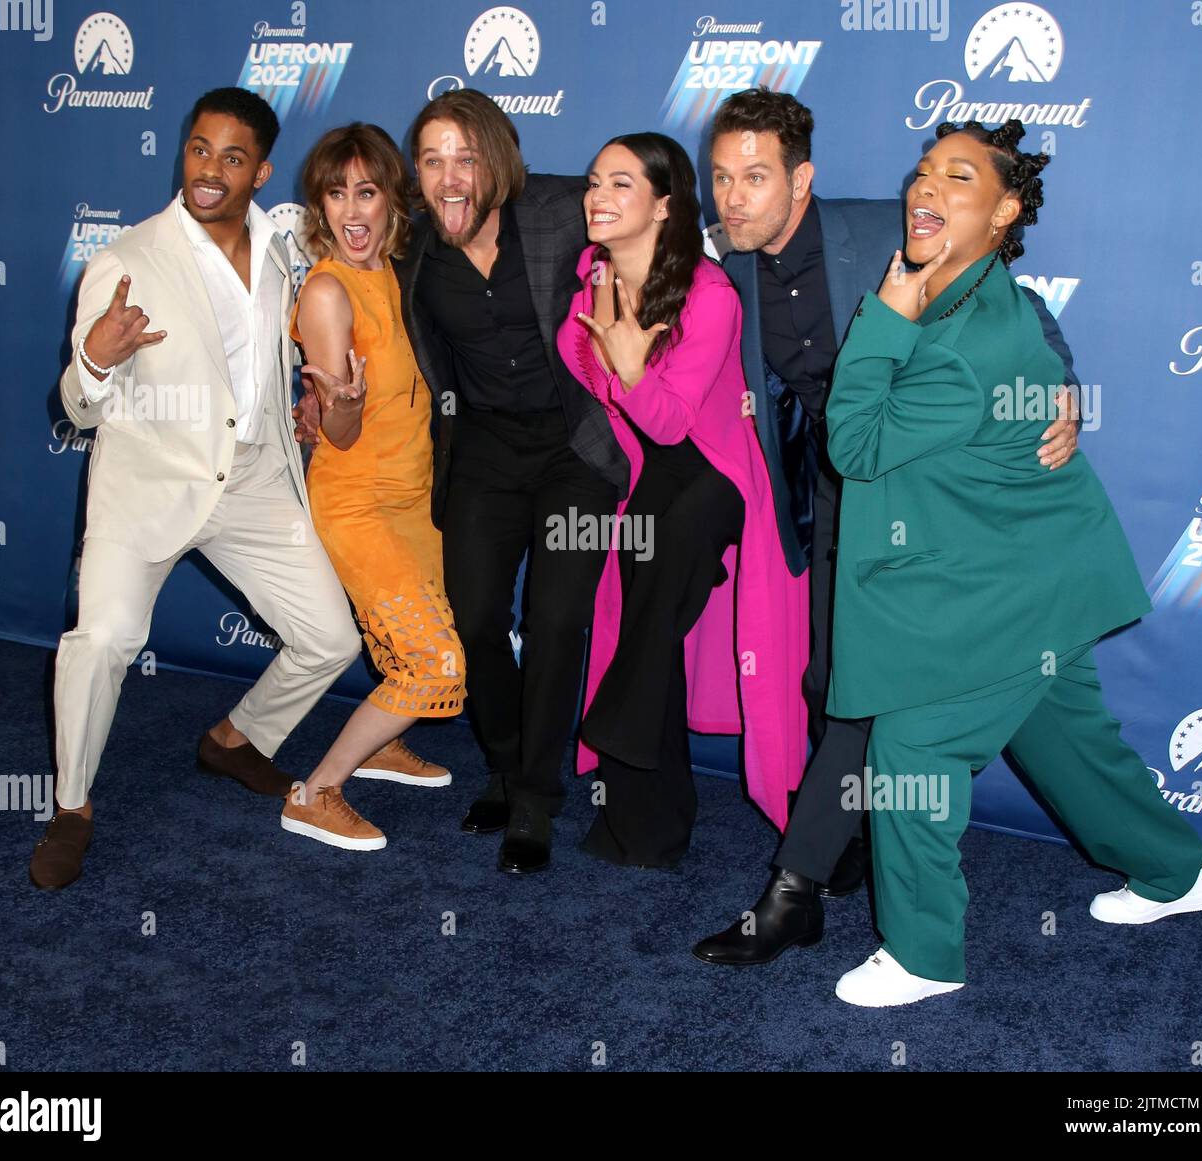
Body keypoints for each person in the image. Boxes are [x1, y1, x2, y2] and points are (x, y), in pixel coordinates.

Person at [825, 119, 1202, 1007]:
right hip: (1038, 564)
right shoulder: (963, 287)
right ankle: (1178, 868)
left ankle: (925, 953)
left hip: (1010, 582)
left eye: (957, 179)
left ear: (1003, 212)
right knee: (1065, 738)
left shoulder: (962, 334)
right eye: (923, 173)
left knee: (913, 743)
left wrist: (880, 319)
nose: (926, 189)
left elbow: (854, 442)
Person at [692, 89, 1081, 965]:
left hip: (929, 481)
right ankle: (854, 834)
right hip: (840, 485)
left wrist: (1062, 385)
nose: (733, 198)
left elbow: (1017, 309)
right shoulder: (729, 266)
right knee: (831, 677)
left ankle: (791, 894)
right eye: (721, 178)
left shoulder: (881, 233)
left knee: (867, 690)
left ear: (803, 181)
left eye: (754, 178)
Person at [31, 88, 361, 889]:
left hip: (252, 477)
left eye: (233, 157)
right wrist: (99, 359)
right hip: (147, 479)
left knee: (332, 640)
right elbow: (77, 406)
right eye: (199, 149)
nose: (210, 169)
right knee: (104, 638)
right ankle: (72, 807)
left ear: (261, 172)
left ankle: (236, 738)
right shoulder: (127, 261)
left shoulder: (283, 247)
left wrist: (308, 406)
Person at [559, 132, 808, 867]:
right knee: (646, 624)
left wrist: (631, 364)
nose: (598, 197)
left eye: (622, 185)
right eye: (594, 181)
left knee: (655, 580)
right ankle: (649, 826)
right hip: (652, 473)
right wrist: (617, 362)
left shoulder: (711, 292)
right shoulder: (591, 279)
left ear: (664, 205)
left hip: (722, 474)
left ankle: (614, 726)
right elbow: (598, 389)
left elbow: (670, 419)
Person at [404, 89, 627, 874]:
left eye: (465, 157)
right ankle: (503, 762)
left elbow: (653, 225)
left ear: (500, 160)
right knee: (473, 615)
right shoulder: (416, 253)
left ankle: (536, 797)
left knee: (558, 619)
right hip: (486, 451)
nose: (449, 177)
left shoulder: (563, 211)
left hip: (574, 445)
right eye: (432, 160)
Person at [280, 123, 467, 851]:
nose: (353, 211)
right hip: (358, 498)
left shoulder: (399, 272)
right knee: (435, 661)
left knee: (412, 649)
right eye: (336, 193)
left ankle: (380, 746)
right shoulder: (328, 292)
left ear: (394, 200)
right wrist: (342, 403)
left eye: (368, 191)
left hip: (415, 495)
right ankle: (315, 789)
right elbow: (344, 432)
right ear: (319, 206)